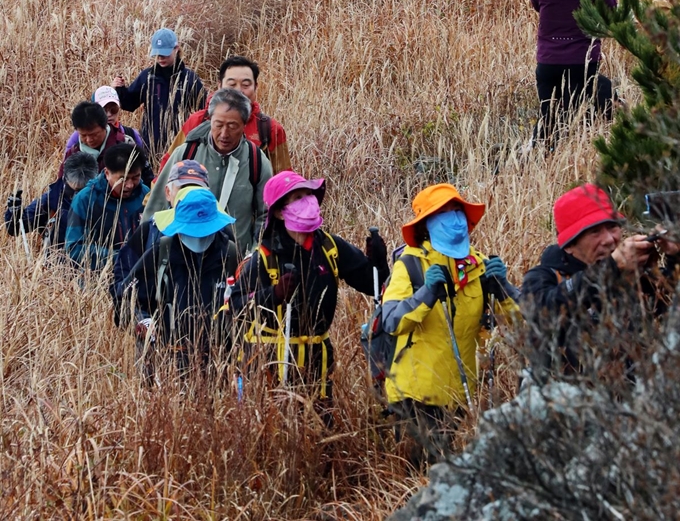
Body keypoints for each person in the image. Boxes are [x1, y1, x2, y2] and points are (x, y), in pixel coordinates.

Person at [382, 183, 519, 462]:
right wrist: (427, 293)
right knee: (421, 478)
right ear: (426, 224)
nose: (454, 217)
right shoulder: (410, 265)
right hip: (415, 397)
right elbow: (392, 322)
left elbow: (521, 323)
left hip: (460, 395)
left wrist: (505, 289)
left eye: (457, 209)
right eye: (443, 211)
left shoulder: (480, 266)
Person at [232, 170, 389, 406]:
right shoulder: (264, 257)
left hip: (318, 357)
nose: (307, 201)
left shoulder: (329, 246)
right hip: (272, 361)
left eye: (308, 194)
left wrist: (378, 262)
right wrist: (273, 295)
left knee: (320, 425)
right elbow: (236, 305)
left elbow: (373, 286)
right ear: (278, 212)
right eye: (297, 198)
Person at [521, 183, 680, 381]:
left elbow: (671, 303)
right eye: (594, 232)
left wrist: (674, 256)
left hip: (631, 403)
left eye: (612, 226)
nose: (609, 239)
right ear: (570, 245)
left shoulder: (632, 276)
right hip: (566, 405)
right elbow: (543, 313)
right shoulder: (543, 277)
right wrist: (611, 268)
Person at [113, 181, 238, 370]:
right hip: (163, 361)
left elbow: (248, 304)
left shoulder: (230, 254)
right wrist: (143, 321)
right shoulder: (160, 253)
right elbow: (125, 298)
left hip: (219, 363)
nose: (199, 237)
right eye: (192, 230)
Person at [143, 88, 273, 255]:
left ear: (245, 124)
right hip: (182, 258)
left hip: (236, 261)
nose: (224, 134)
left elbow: (266, 216)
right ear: (210, 119)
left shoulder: (256, 161)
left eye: (233, 126)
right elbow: (157, 205)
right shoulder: (186, 153)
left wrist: (255, 255)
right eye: (218, 125)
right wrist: (147, 251)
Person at [530, 0, 617, 144]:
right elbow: (610, 10)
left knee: (549, 125)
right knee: (581, 125)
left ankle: (539, 164)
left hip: (547, 62)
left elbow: (537, 5)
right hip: (582, 62)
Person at [161, 54, 290, 174]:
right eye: (232, 84)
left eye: (246, 84)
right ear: (219, 86)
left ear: (256, 87)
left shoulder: (270, 129)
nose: (238, 90)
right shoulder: (197, 121)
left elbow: (285, 179)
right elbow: (167, 168)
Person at [113, 28, 206, 163]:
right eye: (157, 55)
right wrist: (120, 89)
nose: (161, 58)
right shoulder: (148, 77)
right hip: (150, 146)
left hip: (179, 145)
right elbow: (129, 104)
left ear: (176, 49)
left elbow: (203, 109)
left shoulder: (189, 79)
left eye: (165, 54)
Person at [65, 143, 149, 272]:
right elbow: (74, 248)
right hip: (98, 280)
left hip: (140, 276)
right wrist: (119, 258)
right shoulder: (86, 199)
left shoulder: (145, 195)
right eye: (123, 179)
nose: (130, 185)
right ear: (107, 173)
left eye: (136, 177)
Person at [5, 153, 97, 252]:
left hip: (95, 263)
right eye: (73, 190)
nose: (77, 196)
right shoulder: (51, 200)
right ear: (64, 179)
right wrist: (14, 212)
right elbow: (16, 229)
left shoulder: (105, 201)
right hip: (55, 263)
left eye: (82, 191)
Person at [58, 100, 153, 184]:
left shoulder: (126, 146)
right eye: (83, 135)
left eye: (94, 134)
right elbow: (61, 187)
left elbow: (148, 180)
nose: (89, 140)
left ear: (105, 126)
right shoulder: (73, 153)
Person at [63, 86, 146, 158]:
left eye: (113, 109)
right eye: (103, 110)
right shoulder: (76, 138)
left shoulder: (131, 135)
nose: (109, 114)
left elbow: (142, 169)